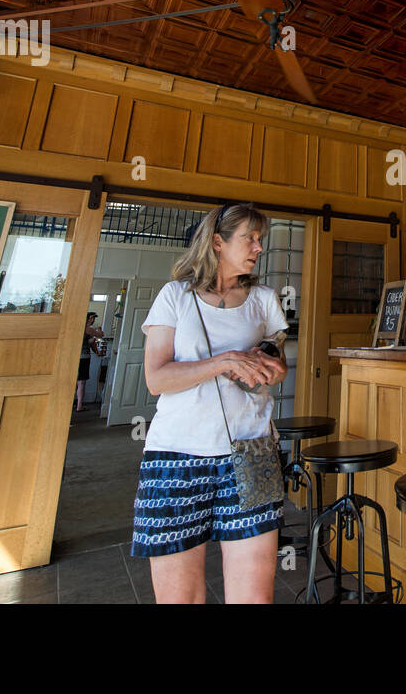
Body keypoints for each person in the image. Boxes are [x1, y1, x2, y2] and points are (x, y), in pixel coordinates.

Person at [132, 203, 288, 603]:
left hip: (253, 451)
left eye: (260, 240)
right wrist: (223, 361)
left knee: (254, 598)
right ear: (218, 242)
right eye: (249, 239)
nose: (258, 248)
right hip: (176, 458)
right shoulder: (175, 297)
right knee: (180, 598)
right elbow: (157, 378)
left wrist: (269, 368)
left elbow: (277, 362)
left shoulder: (264, 299)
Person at [74, 312, 104, 412]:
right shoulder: (87, 329)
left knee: (74, 381)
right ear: (89, 319)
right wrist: (99, 329)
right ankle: (79, 405)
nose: (93, 321)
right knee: (81, 382)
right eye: (93, 319)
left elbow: (92, 343)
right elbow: (101, 335)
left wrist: (96, 350)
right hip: (83, 357)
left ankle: (75, 404)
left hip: (73, 357)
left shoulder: (75, 327)